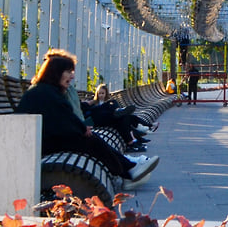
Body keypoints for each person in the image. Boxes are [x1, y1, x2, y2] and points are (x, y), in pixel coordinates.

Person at [16, 50, 158, 184]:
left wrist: (82, 128)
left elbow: (63, 117)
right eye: (68, 72)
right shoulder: (47, 92)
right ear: (56, 73)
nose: (71, 76)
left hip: (40, 142)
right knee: (91, 141)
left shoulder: (45, 90)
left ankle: (129, 168)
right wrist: (82, 129)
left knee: (92, 140)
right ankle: (129, 170)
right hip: (39, 145)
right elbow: (64, 117)